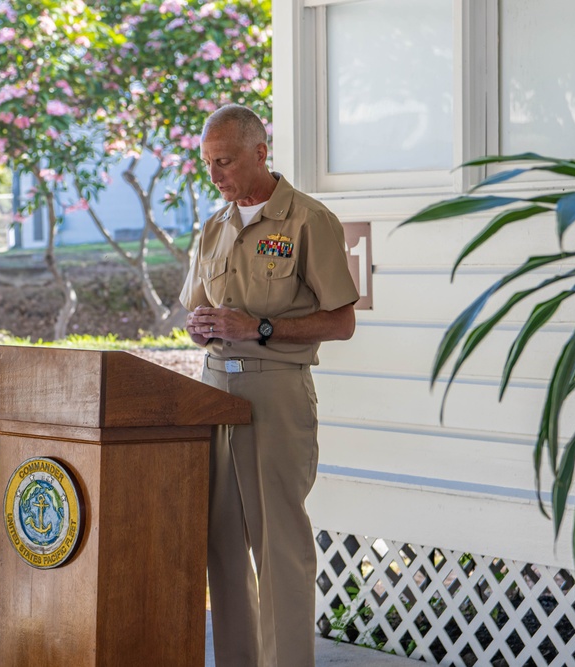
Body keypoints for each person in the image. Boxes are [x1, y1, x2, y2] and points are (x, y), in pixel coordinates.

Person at [180, 104, 359, 666]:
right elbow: (196, 311)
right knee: (223, 543)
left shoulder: (308, 220)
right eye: (208, 164)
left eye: (225, 161)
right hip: (213, 392)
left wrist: (258, 327)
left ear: (261, 152)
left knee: (278, 544)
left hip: (276, 393)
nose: (216, 176)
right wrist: (200, 326)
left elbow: (341, 321)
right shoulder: (213, 227)